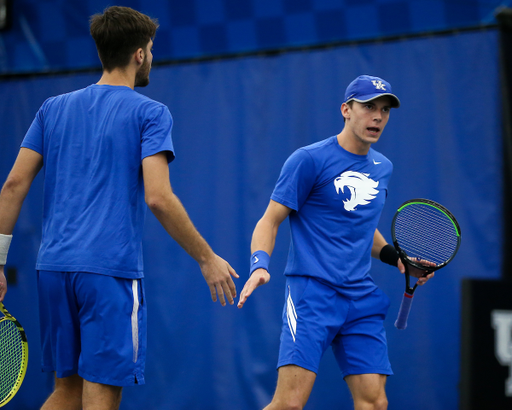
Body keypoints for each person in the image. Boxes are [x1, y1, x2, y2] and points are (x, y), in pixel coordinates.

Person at [0, 6, 238, 410]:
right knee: (101, 398)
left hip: (54, 270)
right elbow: (159, 197)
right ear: (140, 54)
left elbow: (12, 186)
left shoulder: (51, 109)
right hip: (108, 274)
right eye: (151, 49)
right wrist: (206, 257)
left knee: (66, 392)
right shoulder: (150, 112)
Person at [237, 75, 434, 410]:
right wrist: (259, 265)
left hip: (360, 299)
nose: (378, 116)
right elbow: (269, 220)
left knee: (374, 402)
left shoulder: (382, 167)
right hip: (312, 295)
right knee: (289, 404)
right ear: (346, 109)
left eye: (385, 110)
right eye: (369, 106)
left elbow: (361, 226)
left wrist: (396, 257)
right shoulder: (308, 160)